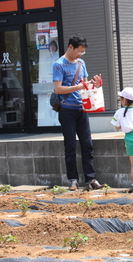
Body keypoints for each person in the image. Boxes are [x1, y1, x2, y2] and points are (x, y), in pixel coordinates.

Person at [53, 34, 103, 191]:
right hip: (67, 109)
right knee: (70, 145)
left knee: (87, 144)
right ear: (70, 47)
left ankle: (91, 179)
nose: (80, 54)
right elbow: (58, 89)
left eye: (83, 52)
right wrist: (78, 88)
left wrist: (94, 85)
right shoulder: (59, 64)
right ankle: (73, 180)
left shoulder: (81, 63)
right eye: (79, 51)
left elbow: (85, 84)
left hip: (82, 108)